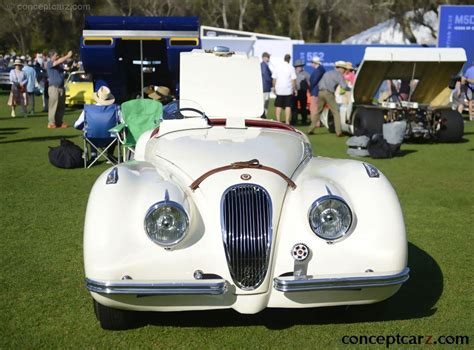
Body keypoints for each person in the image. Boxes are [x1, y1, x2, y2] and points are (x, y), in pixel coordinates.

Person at [74, 86, 118, 163]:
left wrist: (85, 128)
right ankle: (110, 155)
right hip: (111, 139)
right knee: (114, 131)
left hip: (92, 139)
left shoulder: (88, 109)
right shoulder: (115, 109)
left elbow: (77, 125)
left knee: (91, 130)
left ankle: (94, 156)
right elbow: (122, 123)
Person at [307, 61, 350, 137]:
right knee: (336, 112)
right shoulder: (339, 75)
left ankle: (310, 129)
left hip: (320, 92)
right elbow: (344, 86)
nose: (345, 70)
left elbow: (320, 83)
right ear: (340, 68)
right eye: (344, 69)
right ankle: (338, 132)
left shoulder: (327, 73)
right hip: (329, 93)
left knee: (318, 112)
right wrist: (350, 89)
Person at [47, 49, 72, 128]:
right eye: (56, 55)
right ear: (52, 56)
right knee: (53, 105)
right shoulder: (50, 63)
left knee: (61, 106)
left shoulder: (59, 65)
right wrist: (67, 56)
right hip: (53, 87)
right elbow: (57, 62)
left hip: (61, 87)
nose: (57, 57)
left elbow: (66, 69)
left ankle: (59, 121)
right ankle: (51, 122)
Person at [272, 54, 296, 124]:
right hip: (288, 89)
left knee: (278, 105)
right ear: (289, 59)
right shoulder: (291, 67)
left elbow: (274, 79)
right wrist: (294, 89)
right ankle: (287, 121)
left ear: (284, 59)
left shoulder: (277, 67)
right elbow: (293, 80)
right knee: (288, 106)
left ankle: (278, 121)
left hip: (279, 89)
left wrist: (274, 87)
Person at [309, 56, 326, 128]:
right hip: (317, 90)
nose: (311, 64)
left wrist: (310, 88)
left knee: (313, 108)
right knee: (316, 107)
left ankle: (315, 123)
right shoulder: (320, 69)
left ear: (315, 63)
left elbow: (314, 81)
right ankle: (317, 122)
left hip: (315, 91)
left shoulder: (318, 70)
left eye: (312, 62)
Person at [292, 59, 310, 125]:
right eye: (299, 66)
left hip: (303, 92)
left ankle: (304, 120)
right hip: (294, 92)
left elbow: (309, 82)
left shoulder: (306, 74)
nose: (300, 67)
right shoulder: (292, 73)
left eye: (301, 66)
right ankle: (294, 120)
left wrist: (308, 89)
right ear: (296, 67)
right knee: (294, 107)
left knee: (303, 107)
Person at [260, 52, 272, 118]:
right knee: (265, 103)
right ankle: (263, 116)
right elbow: (266, 75)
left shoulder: (264, 65)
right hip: (265, 87)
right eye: (268, 57)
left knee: (265, 103)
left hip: (265, 87)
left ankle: (263, 115)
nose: (269, 59)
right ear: (264, 57)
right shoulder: (263, 65)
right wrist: (271, 81)